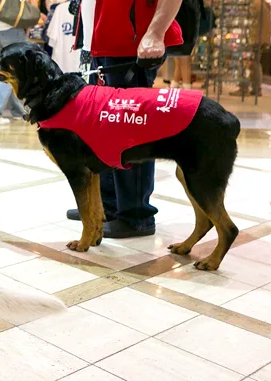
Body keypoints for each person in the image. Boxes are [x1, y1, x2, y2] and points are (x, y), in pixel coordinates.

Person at [67, 0, 184, 238]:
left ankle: (136, 216)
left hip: (131, 44)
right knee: (104, 131)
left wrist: (155, 32)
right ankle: (108, 207)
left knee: (131, 133)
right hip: (102, 44)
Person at [0, 3, 37, 125]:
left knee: (8, 71)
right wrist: (28, 24)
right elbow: (30, 5)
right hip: (13, 30)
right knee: (11, 73)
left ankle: (17, 111)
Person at [231, 0, 271, 96]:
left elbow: (250, 23)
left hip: (255, 38)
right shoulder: (264, 5)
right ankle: (256, 89)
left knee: (248, 63)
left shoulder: (254, 5)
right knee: (255, 63)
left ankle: (244, 88)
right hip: (263, 39)